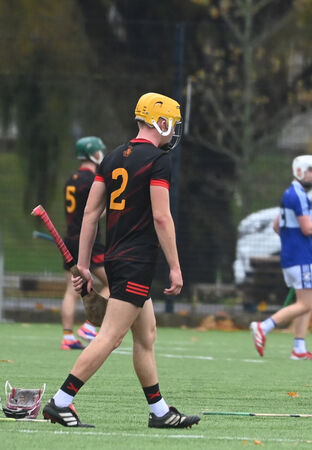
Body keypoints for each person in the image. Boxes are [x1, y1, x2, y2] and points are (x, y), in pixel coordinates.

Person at [42, 92, 200, 429]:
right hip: (136, 261)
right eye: (172, 123)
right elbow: (162, 217)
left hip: (115, 258)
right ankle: (60, 401)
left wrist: (82, 265)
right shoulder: (158, 160)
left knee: (146, 336)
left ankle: (159, 412)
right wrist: (175, 266)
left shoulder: (112, 157)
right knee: (110, 338)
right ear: (162, 121)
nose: (173, 131)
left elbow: (90, 215)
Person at [249, 155, 312, 360]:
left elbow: (277, 226)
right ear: (300, 171)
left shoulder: (290, 193)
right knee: (306, 303)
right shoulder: (298, 195)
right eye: (311, 170)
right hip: (301, 257)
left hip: (292, 256)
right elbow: (308, 228)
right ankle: (263, 327)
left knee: (307, 300)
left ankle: (299, 348)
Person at [59, 136, 110, 350]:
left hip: (69, 239)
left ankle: (68, 337)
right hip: (86, 242)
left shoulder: (71, 179)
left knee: (72, 290)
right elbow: (95, 213)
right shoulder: (92, 180)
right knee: (114, 282)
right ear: (93, 153)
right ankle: (89, 325)